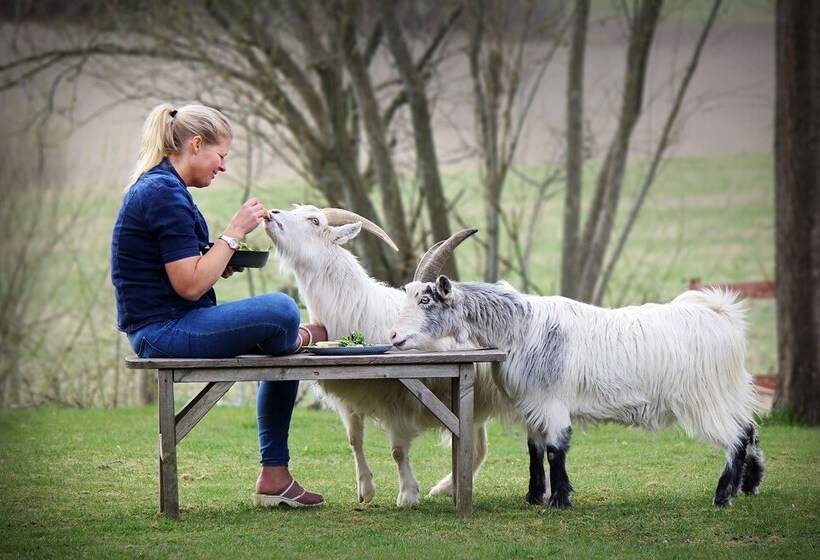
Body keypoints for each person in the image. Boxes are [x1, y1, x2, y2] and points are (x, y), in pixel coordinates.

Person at [111, 103, 326, 507]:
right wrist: (233, 233)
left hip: (173, 322)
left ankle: (274, 478)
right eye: (221, 156)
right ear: (195, 144)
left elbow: (184, 270)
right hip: (162, 331)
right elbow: (190, 285)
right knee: (281, 310)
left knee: (277, 334)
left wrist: (219, 260)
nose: (223, 167)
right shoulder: (163, 194)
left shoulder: (165, 187)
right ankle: (294, 338)